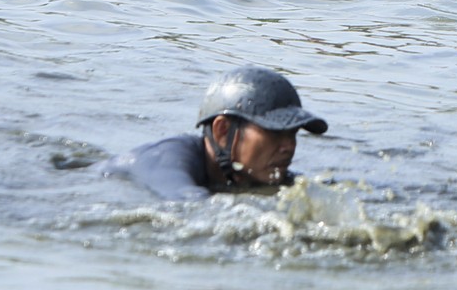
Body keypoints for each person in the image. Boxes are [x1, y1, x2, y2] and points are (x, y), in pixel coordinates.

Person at [99, 66, 327, 200]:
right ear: (223, 131)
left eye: (293, 134)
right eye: (275, 133)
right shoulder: (165, 161)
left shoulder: (253, 172)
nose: (289, 146)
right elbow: (188, 207)